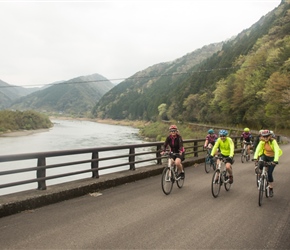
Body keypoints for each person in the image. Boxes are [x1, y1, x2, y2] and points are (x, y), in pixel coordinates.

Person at [253, 129, 283, 197]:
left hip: (272, 158)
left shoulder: (273, 142)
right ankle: (260, 174)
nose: (265, 138)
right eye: (264, 136)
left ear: (270, 136)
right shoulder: (261, 142)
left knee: (269, 173)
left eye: (267, 136)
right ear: (262, 137)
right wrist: (255, 158)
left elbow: (277, 151)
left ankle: (271, 188)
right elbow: (257, 150)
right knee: (260, 163)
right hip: (265, 156)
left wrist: (275, 160)